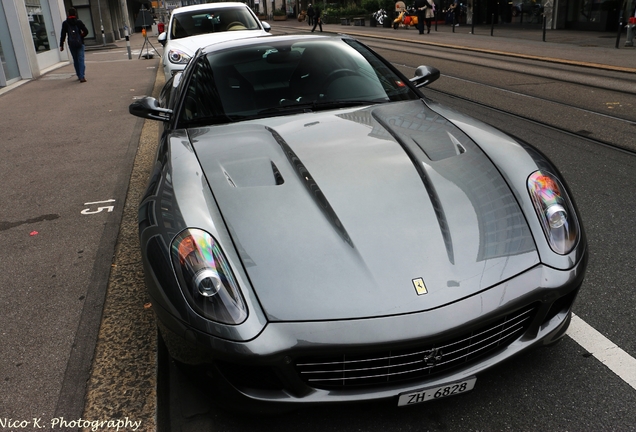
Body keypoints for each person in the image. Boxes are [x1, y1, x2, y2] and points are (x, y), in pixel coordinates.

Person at [59, 8, 89, 82]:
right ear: (75, 14)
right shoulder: (79, 22)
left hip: (71, 44)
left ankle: (78, 75)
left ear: (68, 14)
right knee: (81, 59)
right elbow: (86, 31)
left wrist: (61, 45)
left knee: (75, 60)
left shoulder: (65, 23)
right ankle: (82, 76)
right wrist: (81, 36)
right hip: (80, 43)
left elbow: (63, 35)